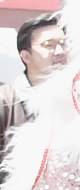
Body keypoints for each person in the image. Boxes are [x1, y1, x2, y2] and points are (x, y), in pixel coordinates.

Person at [1, 13, 64, 162]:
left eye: (64, 44)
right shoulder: (5, 101)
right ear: (26, 56)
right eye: (49, 45)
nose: (61, 52)